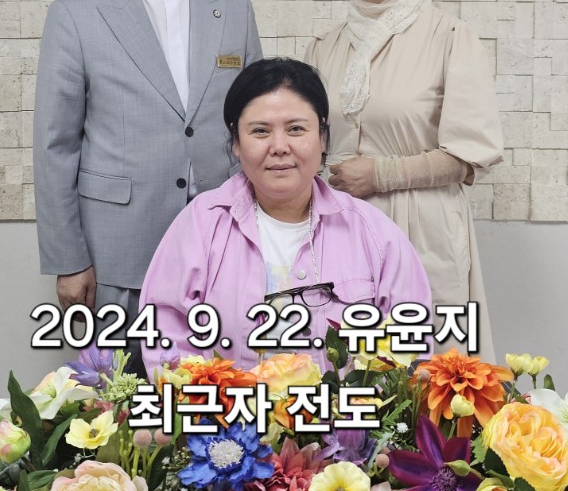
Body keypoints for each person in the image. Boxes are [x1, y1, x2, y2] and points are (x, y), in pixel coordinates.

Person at [33, 0, 263, 361]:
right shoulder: (77, 14)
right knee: (118, 400)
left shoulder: (235, 10)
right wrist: (68, 259)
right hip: (117, 254)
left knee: (224, 393)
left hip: (222, 248)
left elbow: (253, 126)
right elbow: (55, 146)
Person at [304, 0, 505, 361]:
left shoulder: (451, 37)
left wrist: (381, 175)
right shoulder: (324, 47)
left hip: (423, 229)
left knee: (431, 377)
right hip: (340, 230)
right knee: (342, 371)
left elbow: (469, 157)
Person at [139, 58, 432, 373]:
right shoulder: (200, 224)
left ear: (322, 136)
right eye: (260, 131)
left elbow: (409, 346)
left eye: (296, 129)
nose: (279, 146)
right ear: (236, 141)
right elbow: (164, 338)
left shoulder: (373, 233)